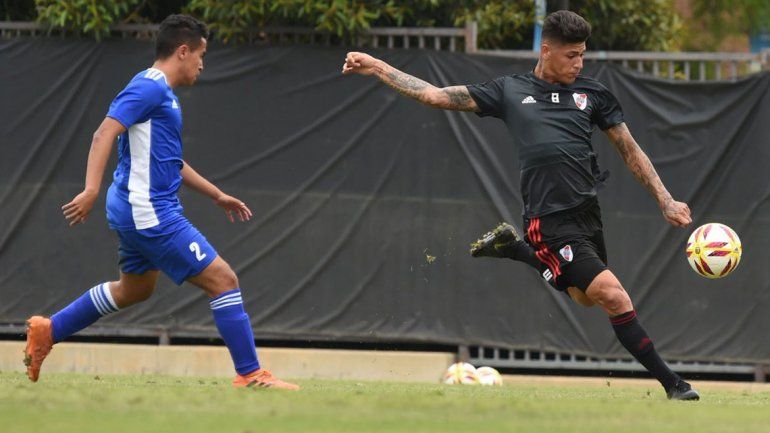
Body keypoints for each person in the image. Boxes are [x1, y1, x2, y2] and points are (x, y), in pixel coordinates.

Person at [342, 10, 698, 400]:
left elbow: (630, 149)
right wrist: (377, 65)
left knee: (583, 297)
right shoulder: (509, 91)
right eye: (572, 55)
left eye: (583, 55)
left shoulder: (593, 94)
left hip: (587, 216)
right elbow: (435, 95)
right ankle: (674, 384)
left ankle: (518, 251)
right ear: (546, 51)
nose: (579, 63)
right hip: (549, 221)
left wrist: (665, 200)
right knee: (614, 296)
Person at [23, 14, 298, 390]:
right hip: (148, 212)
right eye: (201, 54)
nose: (202, 63)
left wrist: (216, 194)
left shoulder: (162, 95)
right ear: (183, 51)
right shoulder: (150, 88)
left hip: (133, 210)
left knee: (135, 289)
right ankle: (250, 374)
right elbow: (104, 132)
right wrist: (90, 190)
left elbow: (170, 160)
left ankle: (49, 330)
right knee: (224, 280)